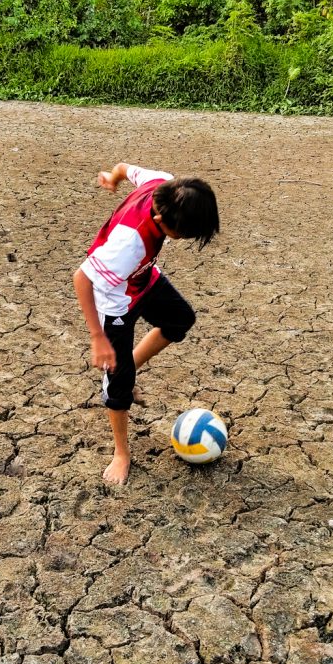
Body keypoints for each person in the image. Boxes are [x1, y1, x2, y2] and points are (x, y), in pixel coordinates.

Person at [73, 162, 220, 485]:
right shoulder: (128, 244)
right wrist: (97, 337)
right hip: (114, 303)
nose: (182, 240)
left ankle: (127, 369)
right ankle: (121, 452)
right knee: (119, 383)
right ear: (159, 221)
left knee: (180, 319)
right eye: (182, 235)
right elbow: (82, 277)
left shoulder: (164, 184)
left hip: (143, 279)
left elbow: (124, 167)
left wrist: (112, 178)